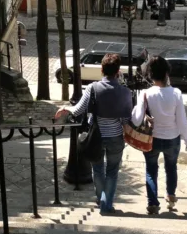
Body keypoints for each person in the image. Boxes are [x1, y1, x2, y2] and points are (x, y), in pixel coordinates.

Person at [54, 52, 133, 214]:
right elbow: (126, 120)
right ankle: (107, 203)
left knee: (97, 170)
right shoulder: (125, 92)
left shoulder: (93, 88)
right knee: (112, 172)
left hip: (95, 137)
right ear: (118, 71)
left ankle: (100, 199)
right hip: (115, 136)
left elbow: (78, 110)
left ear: (102, 70)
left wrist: (65, 108)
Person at [131, 54, 187, 215]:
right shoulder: (176, 93)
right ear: (167, 73)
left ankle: (153, 203)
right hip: (172, 138)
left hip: (152, 138)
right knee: (171, 167)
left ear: (150, 74)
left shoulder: (146, 94)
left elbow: (136, 118)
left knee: (151, 170)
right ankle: (171, 196)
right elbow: (182, 120)